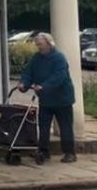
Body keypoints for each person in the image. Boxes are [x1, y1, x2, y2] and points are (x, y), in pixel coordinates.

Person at [18, 32, 76, 164]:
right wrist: (24, 84)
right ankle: (43, 151)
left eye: (41, 44)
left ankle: (69, 153)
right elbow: (28, 73)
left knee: (65, 127)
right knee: (43, 127)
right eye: (37, 44)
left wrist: (44, 86)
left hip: (62, 99)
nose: (39, 47)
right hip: (45, 100)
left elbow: (59, 77)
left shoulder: (59, 58)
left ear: (49, 44)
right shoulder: (36, 58)